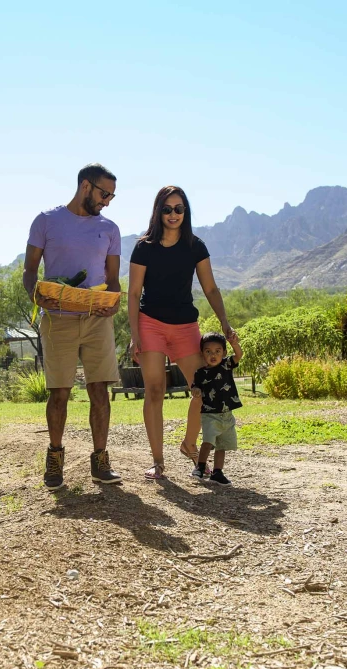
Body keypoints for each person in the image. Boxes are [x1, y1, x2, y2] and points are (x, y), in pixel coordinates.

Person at [128, 185, 240, 480]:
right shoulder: (143, 247)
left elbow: (211, 288)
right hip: (150, 323)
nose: (173, 214)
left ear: (185, 211)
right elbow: (133, 293)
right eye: (167, 209)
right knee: (154, 391)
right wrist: (135, 335)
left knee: (203, 389)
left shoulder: (196, 246)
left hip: (185, 327)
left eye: (179, 208)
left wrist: (225, 323)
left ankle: (189, 443)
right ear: (158, 212)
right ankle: (157, 461)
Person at [24, 163, 123, 490]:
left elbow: (112, 280)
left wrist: (114, 300)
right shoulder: (46, 221)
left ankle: (100, 460)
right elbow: (29, 272)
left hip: (97, 321)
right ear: (85, 186)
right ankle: (55, 458)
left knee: (100, 391)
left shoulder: (110, 229)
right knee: (59, 393)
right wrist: (38, 297)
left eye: (112, 195)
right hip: (58, 320)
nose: (107, 200)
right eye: (103, 193)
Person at [191, 332, 243, 484]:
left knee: (222, 445)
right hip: (210, 414)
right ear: (202, 354)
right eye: (208, 351)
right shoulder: (200, 373)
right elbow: (196, 387)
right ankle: (200, 467)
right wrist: (196, 391)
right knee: (208, 441)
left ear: (224, 353)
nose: (213, 355)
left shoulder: (226, 365)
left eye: (217, 351)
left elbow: (239, 355)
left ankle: (217, 472)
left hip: (227, 414)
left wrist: (234, 343)